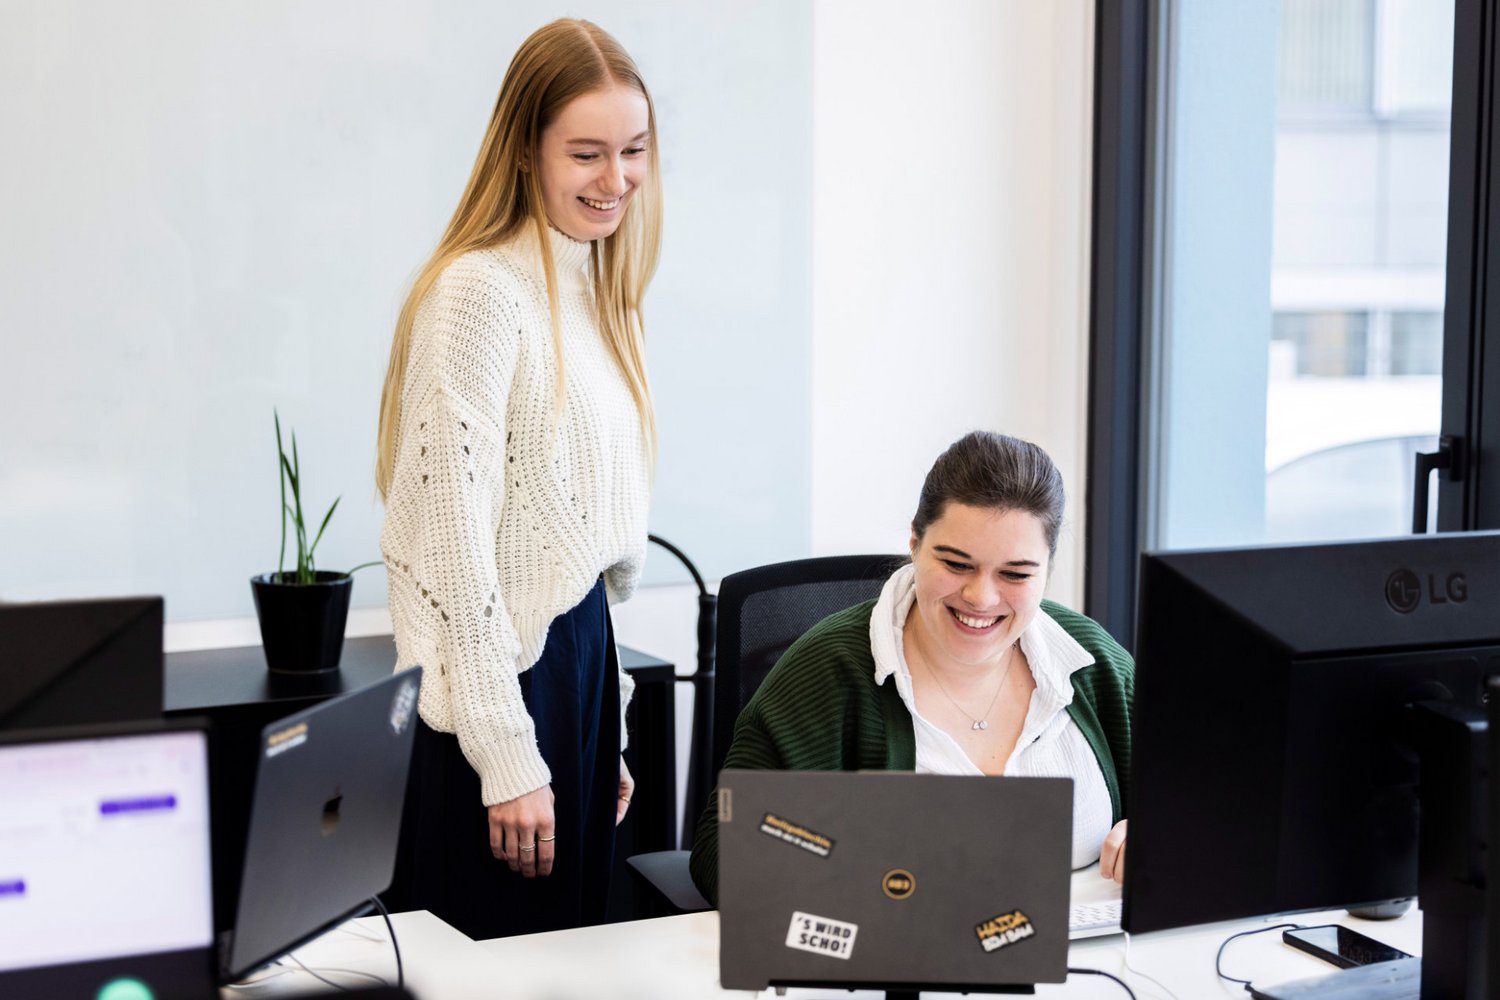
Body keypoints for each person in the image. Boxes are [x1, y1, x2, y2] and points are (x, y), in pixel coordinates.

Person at [374, 18, 661, 938]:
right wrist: (508, 754)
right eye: (586, 153)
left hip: (576, 671)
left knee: (569, 962)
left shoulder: (598, 292)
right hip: (504, 691)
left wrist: (606, 726)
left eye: (634, 150)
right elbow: (453, 549)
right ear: (525, 149)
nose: (614, 179)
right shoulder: (479, 292)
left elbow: (585, 564)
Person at [689, 431, 1134, 905]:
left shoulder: (1089, 660)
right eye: (957, 564)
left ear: (1047, 568)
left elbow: (1199, 803)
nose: (981, 597)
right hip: (892, 959)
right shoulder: (829, 670)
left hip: (1097, 957)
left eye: (1016, 574)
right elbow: (723, 854)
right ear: (915, 544)